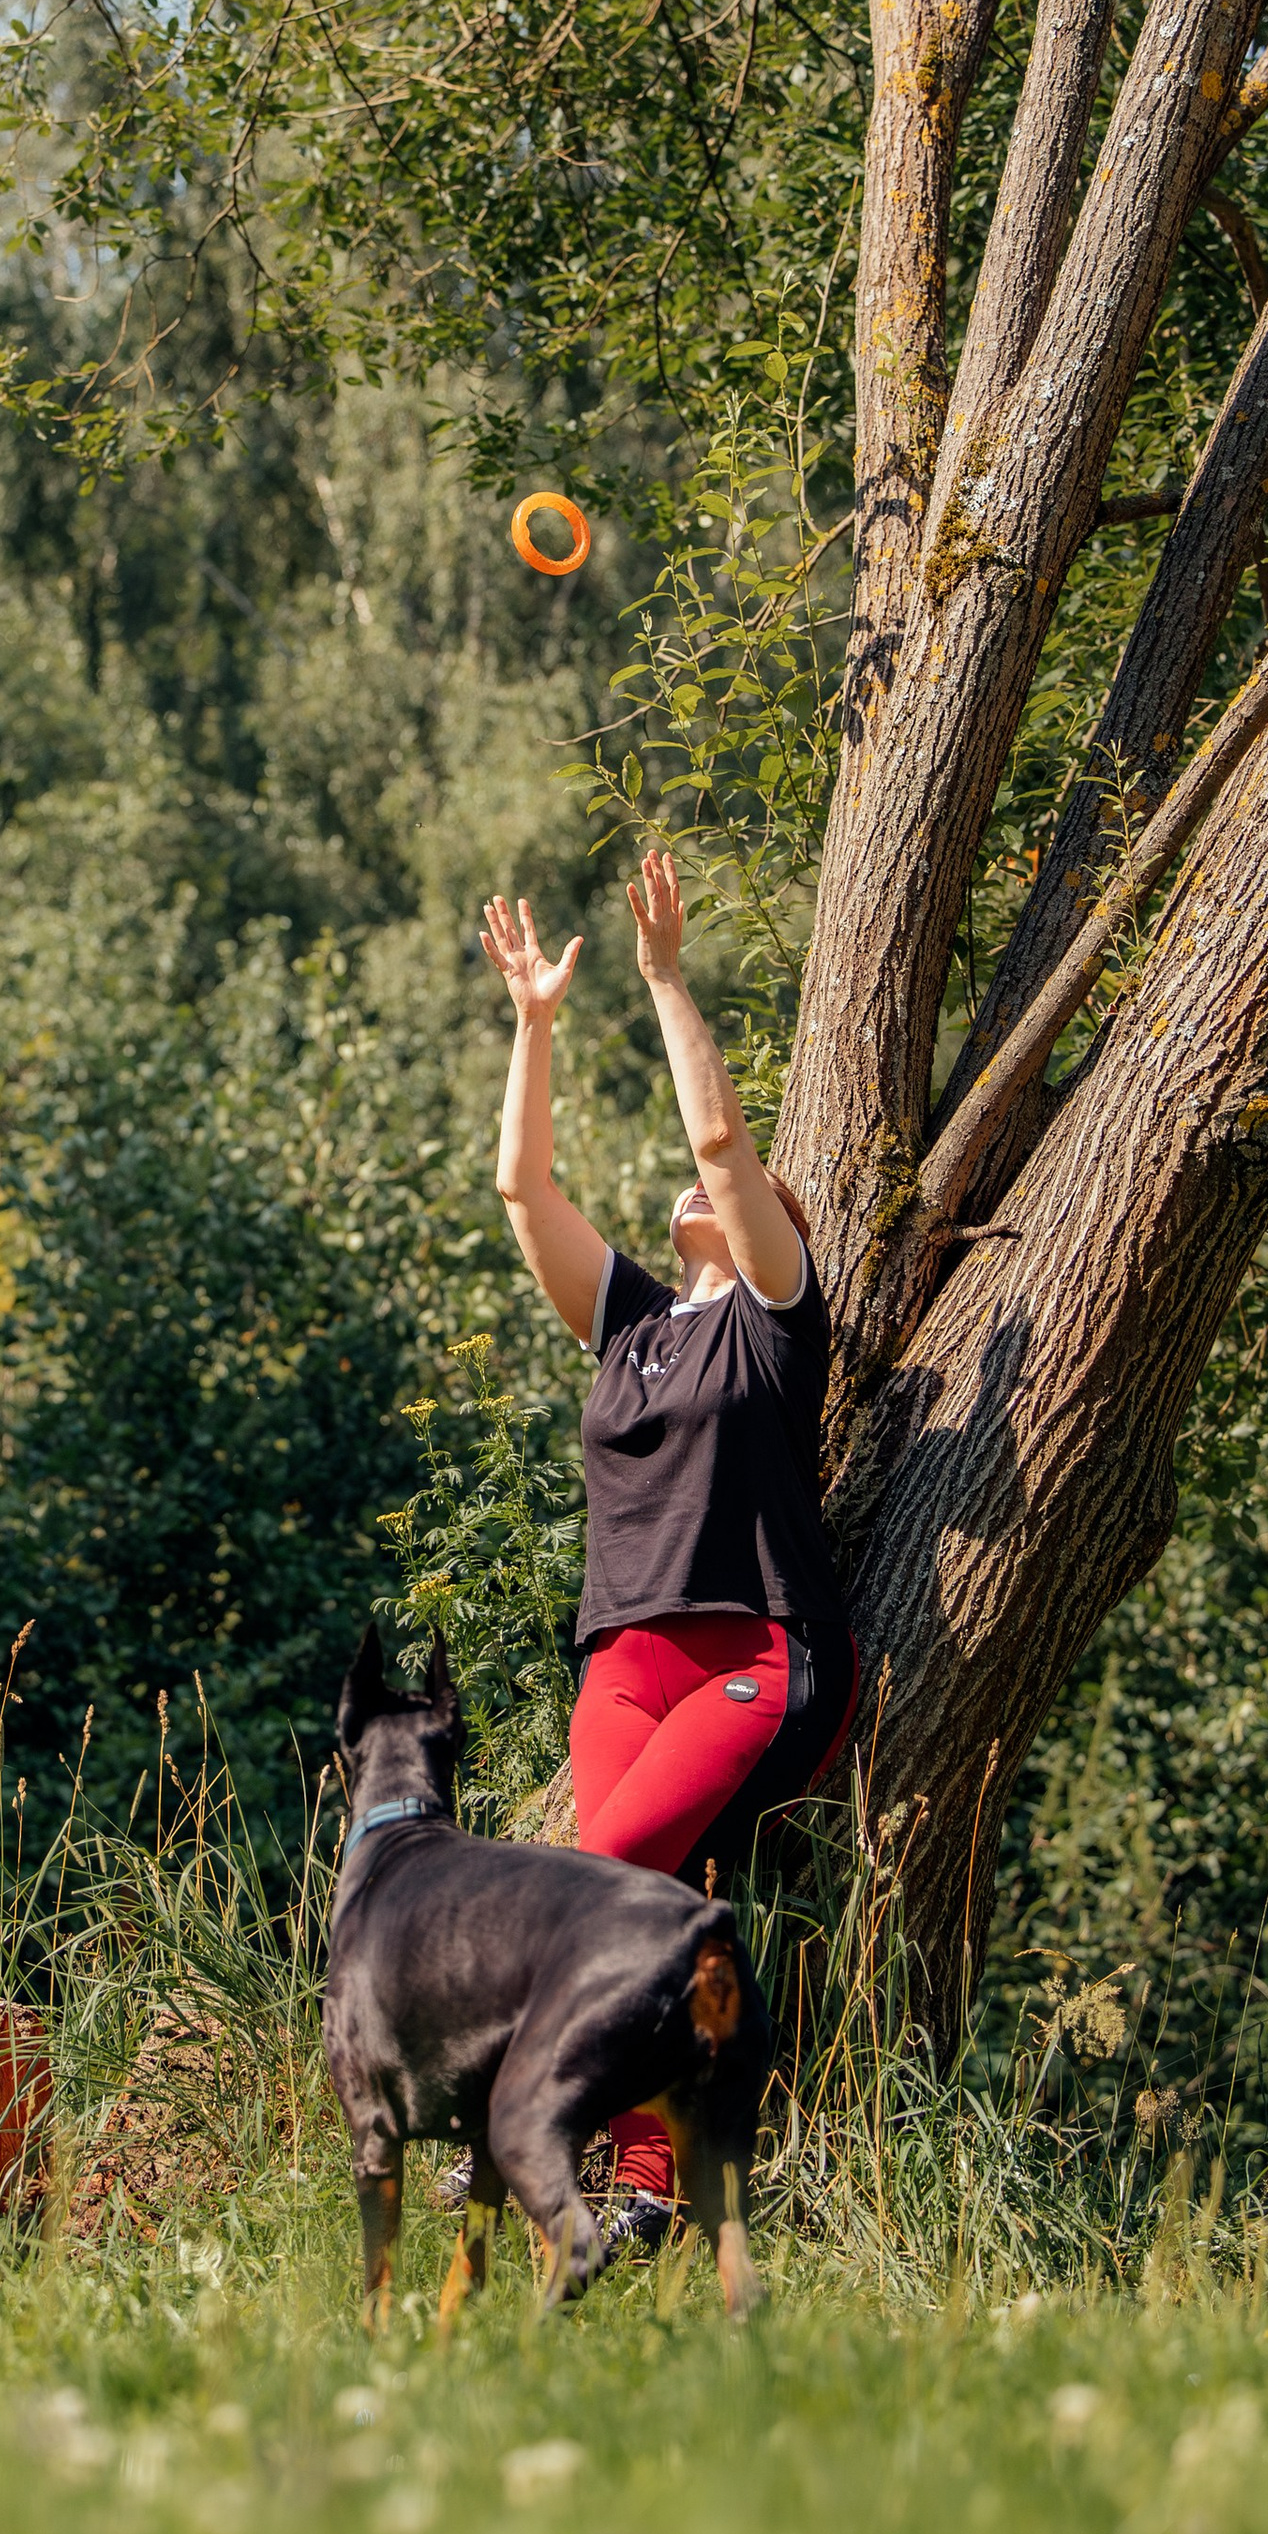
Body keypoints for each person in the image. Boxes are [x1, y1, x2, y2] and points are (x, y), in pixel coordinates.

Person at [480, 848, 858, 2244]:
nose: (703, 1195)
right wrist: (533, 1024)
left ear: (780, 1231)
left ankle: (599, 2149)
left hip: (758, 1650)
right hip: (623, 1659)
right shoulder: (632, 1327)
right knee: (615, 1895)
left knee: (604, 1881)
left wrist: (661, 977)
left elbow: (719, 1150)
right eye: (703, 1203)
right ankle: (652, 2182)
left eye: (751, 1198)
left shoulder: (776, 1318)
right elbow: (524, 1195)